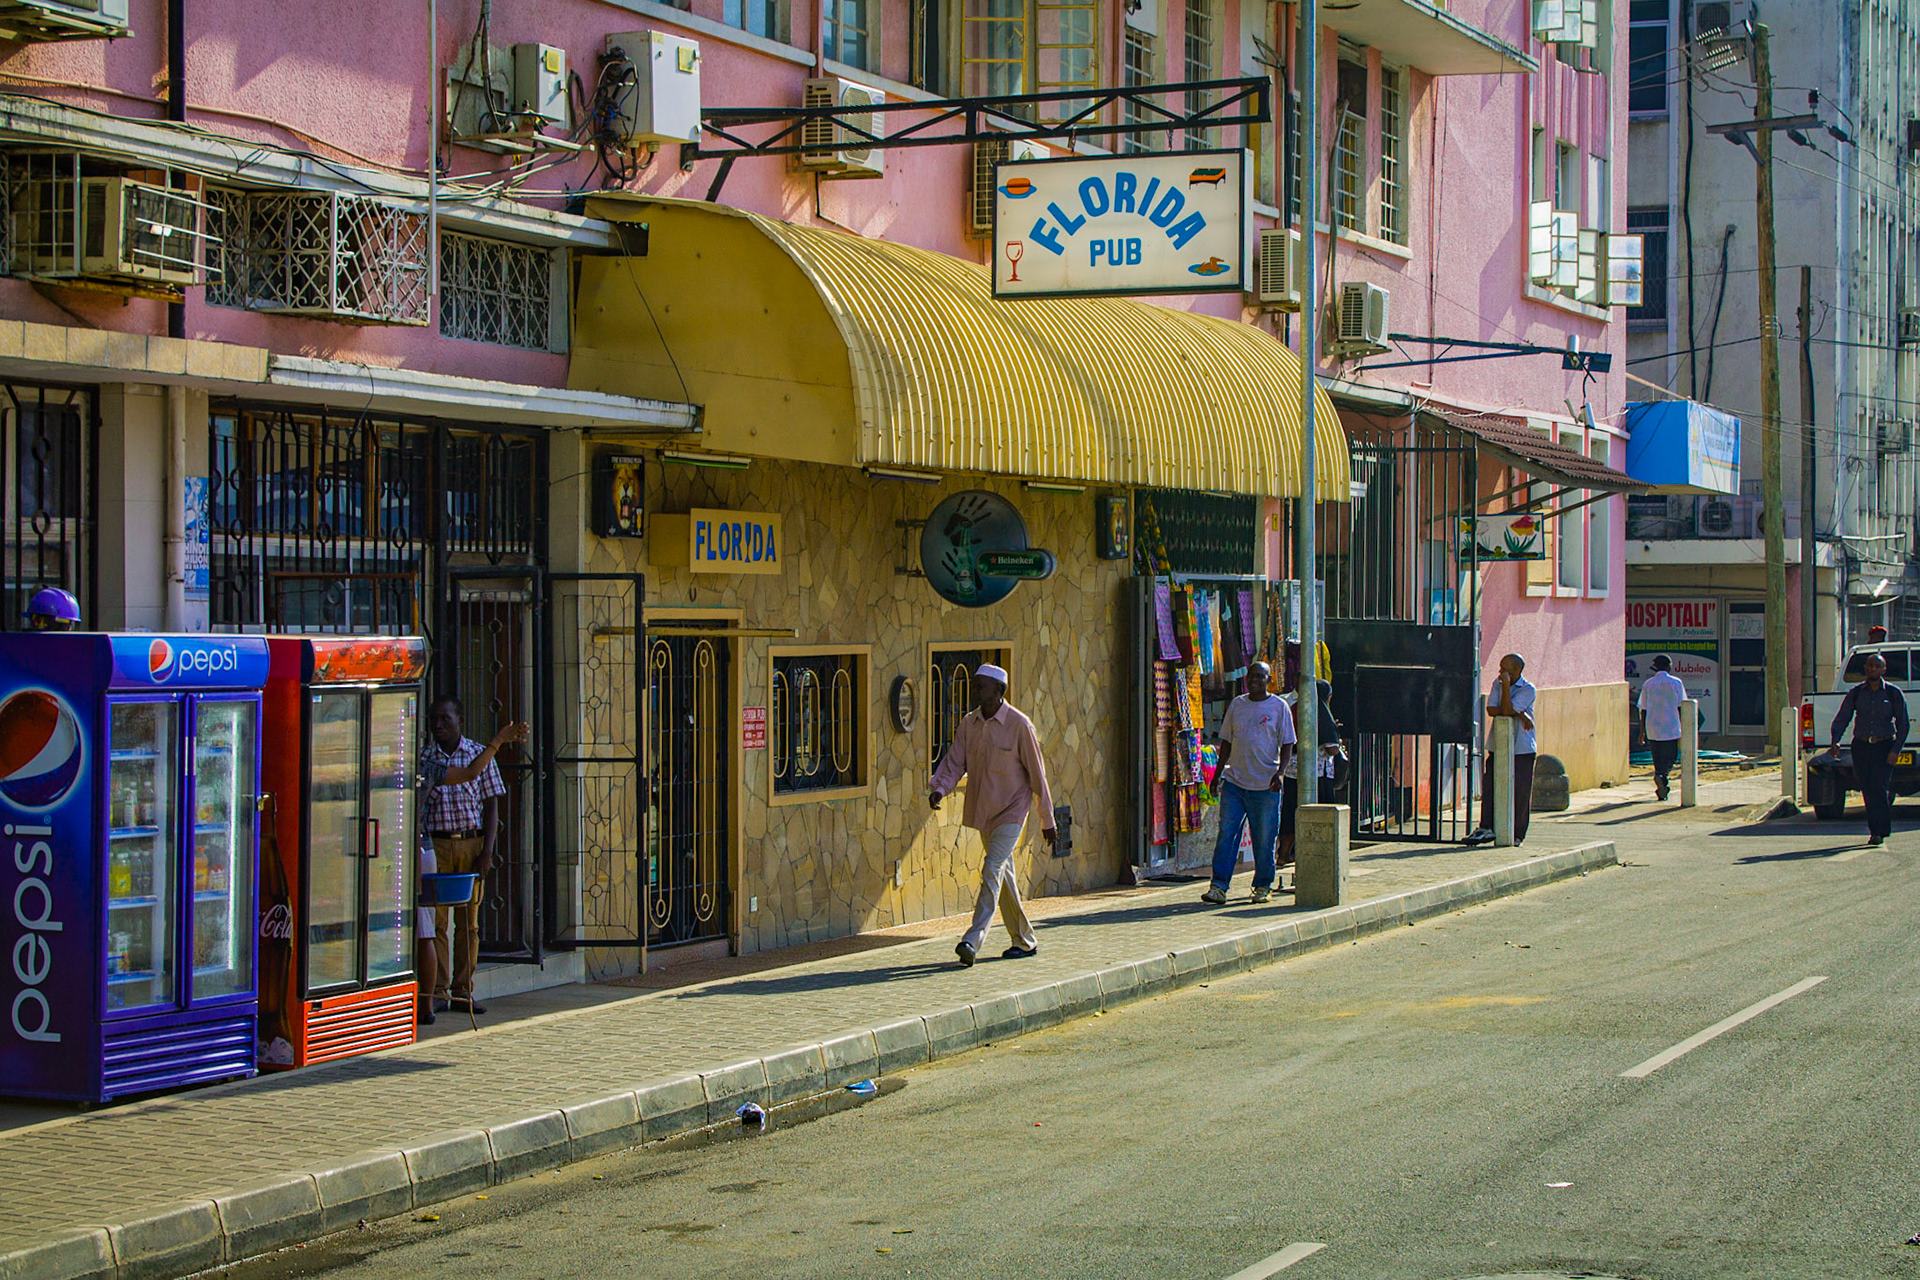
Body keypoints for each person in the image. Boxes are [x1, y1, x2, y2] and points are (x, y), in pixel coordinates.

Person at [928, 664, 1056, 967]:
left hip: (1013, 810)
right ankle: (1024, 941)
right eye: (974, 686)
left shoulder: (1020, 725)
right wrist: (939, 789)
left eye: (981, 686)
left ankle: (973, 939)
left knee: (991, 869)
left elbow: (1038, 776)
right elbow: (954, 762)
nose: (975, 692)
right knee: (1003, 876)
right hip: (985, 810)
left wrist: (1047, 819)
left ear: (999, 691)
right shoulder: (968, 724)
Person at [416, 721, 527, 1026]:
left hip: (467, 842)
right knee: (432, 925)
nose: (440, 725)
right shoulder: (426, 760)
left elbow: (479, 786)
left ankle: (462, 989)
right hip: (434, 845)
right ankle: (435, 993)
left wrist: (486, 851)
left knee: (468, 922)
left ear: (459, 722)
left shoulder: (470, 755)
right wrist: (499, 740)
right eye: (435, 718)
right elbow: (467, 774)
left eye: (446, 718)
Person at [1202, 661, 1294, 906]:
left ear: (1268, 680)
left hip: (1265, 785)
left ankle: (1263, 886)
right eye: (1251, 676)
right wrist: (1217, 774)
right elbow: (1226, 743)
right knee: (1227, 834)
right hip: (1235, 783)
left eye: (1260, 677)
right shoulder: (1237, 705)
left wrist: (1281, 773)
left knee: (1264, 838)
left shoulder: (1279, 707)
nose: (1254, 680)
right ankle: (1218, 886)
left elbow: (1287, 743)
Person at [1830, 652, 1909, 846]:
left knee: (1879, 788)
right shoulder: (1856, 693)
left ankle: (1881, 830)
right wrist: (1835, 740)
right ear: (1865, 668)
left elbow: (1903, 724)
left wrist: (1895, 750)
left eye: (1877, 666)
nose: (1872, 669)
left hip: (1884, 746)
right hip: (1862, 746)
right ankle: (1875, 830)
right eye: (1869, 666)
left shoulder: (1892, 693)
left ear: (1884, 670)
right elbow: (1843, 717)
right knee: (1867, 788)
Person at [1463, 654, 1537, 846]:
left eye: (1505, 669)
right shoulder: (1498, 684)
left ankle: (1517, 833)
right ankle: (1486, 827)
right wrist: (1520, 714)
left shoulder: (1528, 689)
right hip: (1498, 745)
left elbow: (1505, 709)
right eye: (1500, 668)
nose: (1500, 672)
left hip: (1521, 748)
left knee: (1519, 791)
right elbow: (1493, 710)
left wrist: (1513, 707)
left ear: (1516, 671)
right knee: (1491, 786)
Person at [1278, 675, 1340, 878]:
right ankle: (1316, 854)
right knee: (1320, 814)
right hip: (1317, 774)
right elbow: (1331, 748)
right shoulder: (1322, 713)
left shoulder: (1294, 709)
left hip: (1292, 772)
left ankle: (1283, 854)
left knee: (1290, 813)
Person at [1637, 655, 1688, 802]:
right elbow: (1682, 706)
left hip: (1653, 727)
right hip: (1671, 726)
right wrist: (1684, 726)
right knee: (1670, 757)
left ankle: (1661, 783)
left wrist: (1642, 733)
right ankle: (1662, 777)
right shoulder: (1676, 683)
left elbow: (1643, 709)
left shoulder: (1648, 684)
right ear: (1669, 666)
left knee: (1657, 758)